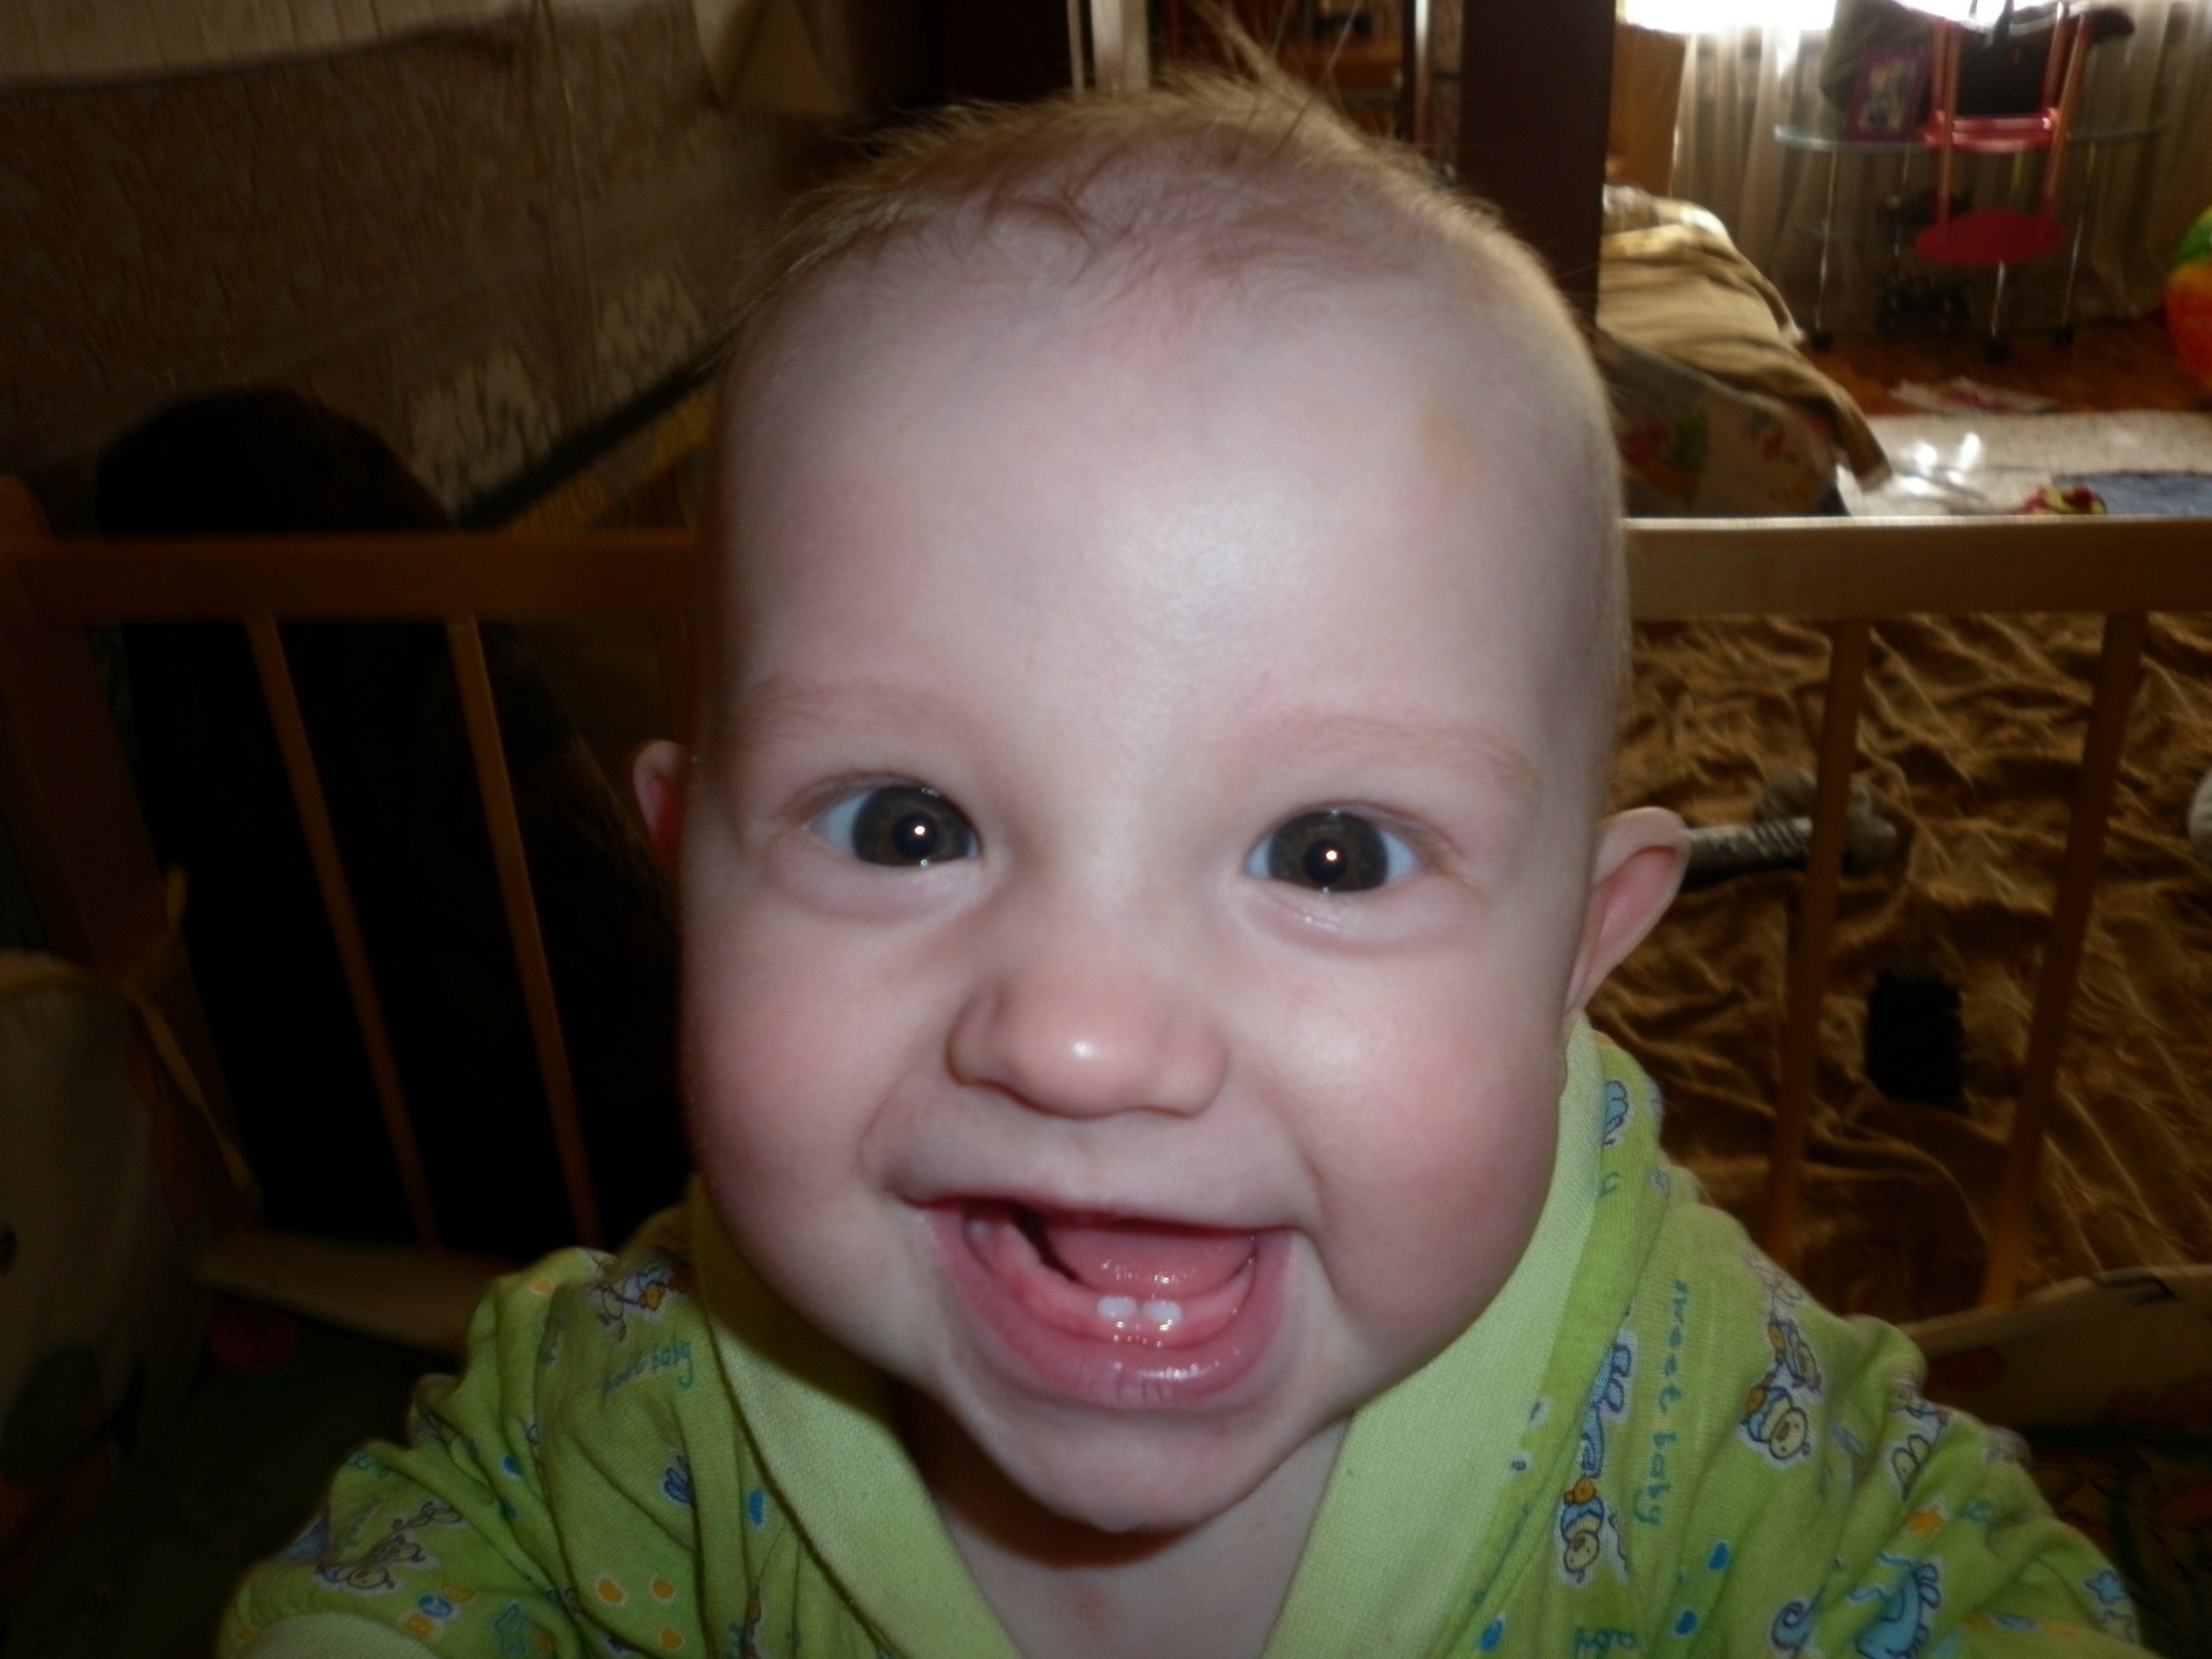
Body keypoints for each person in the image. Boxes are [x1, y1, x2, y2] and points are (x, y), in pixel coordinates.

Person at [219, 67, 2146, 1659]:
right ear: (682, 874)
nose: (1082, 1043)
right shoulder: (663, 1398)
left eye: (1331, 850)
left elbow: (1984, 1592)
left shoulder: (1676, 1403)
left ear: (1582, 947)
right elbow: (409, 1573)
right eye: (905, 826)